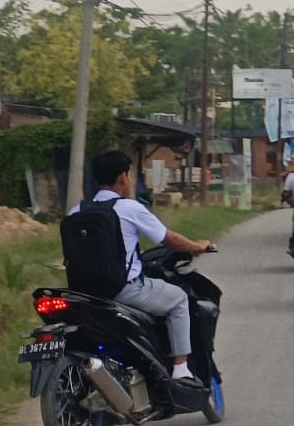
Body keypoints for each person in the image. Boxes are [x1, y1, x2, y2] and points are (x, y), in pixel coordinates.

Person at [72, 150, 211, 383]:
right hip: (124, 291)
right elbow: (169, 239)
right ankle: (181, 369)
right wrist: (196, 246)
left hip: (85, 295)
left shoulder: (77, 211)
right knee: (178, 299)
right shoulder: (129, 208)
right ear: (123, 177)